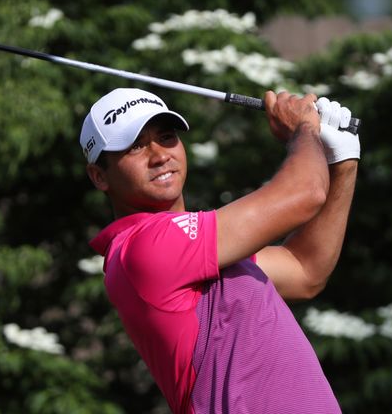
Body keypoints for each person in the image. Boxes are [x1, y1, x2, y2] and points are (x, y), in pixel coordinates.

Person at [80, 87, 359, 413]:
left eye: (166, 136)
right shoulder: (143, 248)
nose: (159, 155)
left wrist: (342, 163)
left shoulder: (203, 249)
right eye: (135, 147)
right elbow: (306, 193)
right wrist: (304, 129)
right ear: (100, 176)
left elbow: (304, 270)